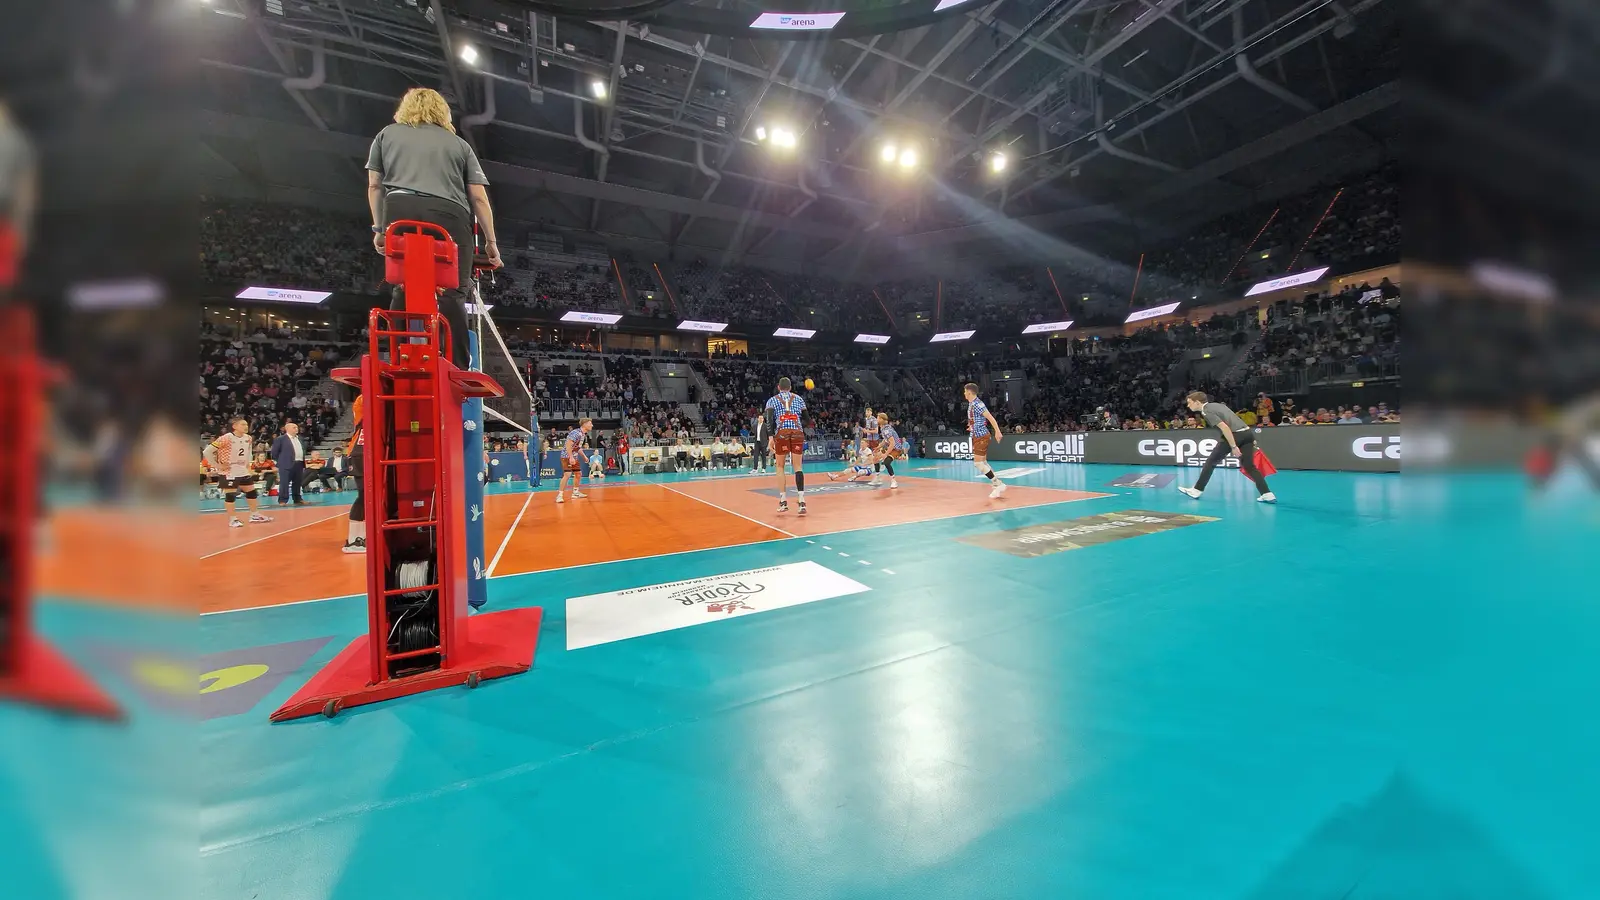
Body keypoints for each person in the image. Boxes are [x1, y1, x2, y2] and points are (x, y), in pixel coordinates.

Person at [365, 87, 503, 367]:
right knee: (454, 292)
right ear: (443, 112)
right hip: (448, 216)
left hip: (399, 211)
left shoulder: (386, 135)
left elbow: (375, 186)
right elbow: (478, 197)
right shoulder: (459, 145)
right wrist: (491, 243)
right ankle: (458, 364)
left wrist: (379, 228)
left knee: (402, 286)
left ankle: (397, 354)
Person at [1177, 391, 1277, 502]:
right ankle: (1267, 493)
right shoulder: (1218, 405)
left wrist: (1233, 446)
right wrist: (1250, 439)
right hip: (1247, 433)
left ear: (1197, 402)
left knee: (1210, 462)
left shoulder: (1206, 411)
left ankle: (1197, 490)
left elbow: (1225, 428)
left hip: (1234, 435)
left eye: (1189, 403)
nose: (1188, 405)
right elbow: (1235, 419)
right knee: (1249, 466)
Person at [204, 418, 273, 529]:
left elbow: (248, 454)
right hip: (229, 471)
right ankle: (233, 519)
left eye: (246, 424)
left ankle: (254, 515)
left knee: (251, 492)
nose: (246, 426)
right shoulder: (226, 438)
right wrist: (216, 465)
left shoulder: (248, 438)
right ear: (235, 426)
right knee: (230, 495)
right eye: (243, 424)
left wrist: (248, 467)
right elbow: (207, 451)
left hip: (242, 470)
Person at [765, 376, 808, 515]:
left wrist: (771, 437)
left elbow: (769, 421)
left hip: (781, 432)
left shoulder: (772, 400)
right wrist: (800, 429)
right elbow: (807, 419)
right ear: (790, 387)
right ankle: (801, 501)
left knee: (780, 466)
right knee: (798, 467)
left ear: (778, 387)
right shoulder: (799, 399)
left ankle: (783, 501)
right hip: (797, 432)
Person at [964, 383, 1007, 499]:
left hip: (981, 436)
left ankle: (998, 484)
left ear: (969, 392)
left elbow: (990, 418)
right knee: (983, 463)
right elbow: (975, 419)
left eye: (964, 391)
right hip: (976, 435)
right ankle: (996, 483)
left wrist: (997, 431)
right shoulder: (971, 404)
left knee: (978, 463)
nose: (964, 394)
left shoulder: (978, 404)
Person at [342, 396, 367, 553]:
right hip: (359, 452)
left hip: (363, 452)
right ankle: (353, 541)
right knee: (364, 495)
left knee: (368, 496)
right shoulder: (363, 399)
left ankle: (361, 537)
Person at [269, 421, 308, 506]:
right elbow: (274, 452)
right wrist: (280, 462)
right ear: (287, 429)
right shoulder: (281, 439)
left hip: (299, 463)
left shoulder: (300, 438)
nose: (296, 429)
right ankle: (282, 500)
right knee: (284, 482)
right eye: (294, 427)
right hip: (285, 464)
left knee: (297, 482)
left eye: (297, 427)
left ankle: (297, 499)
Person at [556, 418, 593, 503]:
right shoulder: (576, 433)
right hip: (566, 456)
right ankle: (560, 495)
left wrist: (584, 456)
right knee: (567, 474)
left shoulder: (583, 434)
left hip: (574, 456)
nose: (592, 425)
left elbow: (577, 447)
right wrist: (571, 457)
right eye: (590, 423)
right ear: (585, 424)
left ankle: (575, 492)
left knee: (578, 474)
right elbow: (568, 445)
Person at [873, 412, 903, 490]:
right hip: (889, 447)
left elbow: (892, 443)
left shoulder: (887, 429)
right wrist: (878, 447)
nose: (877, 419)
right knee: (875, 458)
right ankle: (878, 477)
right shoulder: (883, 428)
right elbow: (885, 440)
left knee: (886, 462)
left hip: (896, 449)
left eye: (878, 418)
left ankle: (893, 481)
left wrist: (886, 454)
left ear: (882, 420)